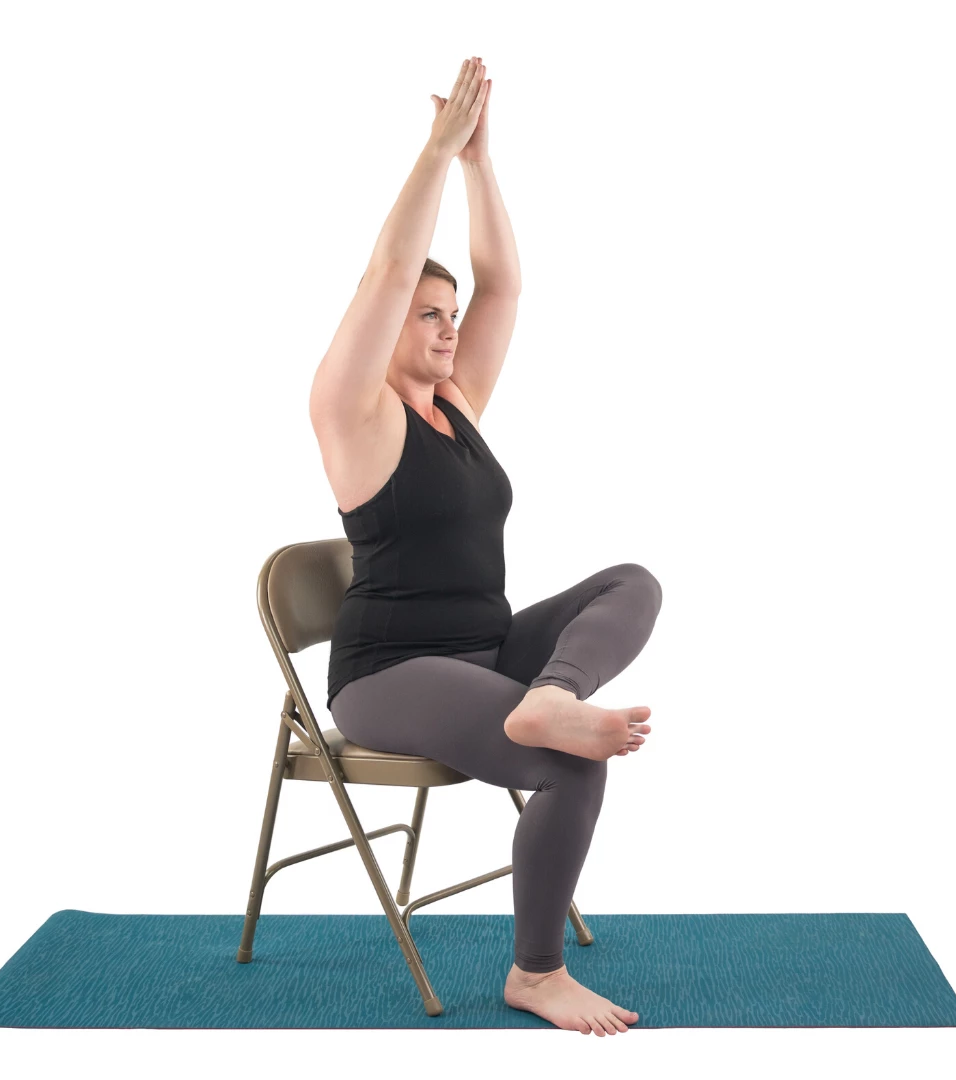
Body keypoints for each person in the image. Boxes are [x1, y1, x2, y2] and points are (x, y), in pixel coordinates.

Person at [306, 57, 661, 1038]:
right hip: (388, 673)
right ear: (378, 331)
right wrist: (430, 154)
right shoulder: (355, 413)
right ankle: (534, 974)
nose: (449, 329)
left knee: (633, 581)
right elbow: (386, 273)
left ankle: (553, 692)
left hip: (485, 647)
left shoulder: (456, 404)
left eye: (450, 317)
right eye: (429, 316)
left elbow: (504, 281)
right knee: (573, 766)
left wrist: (479, 162)